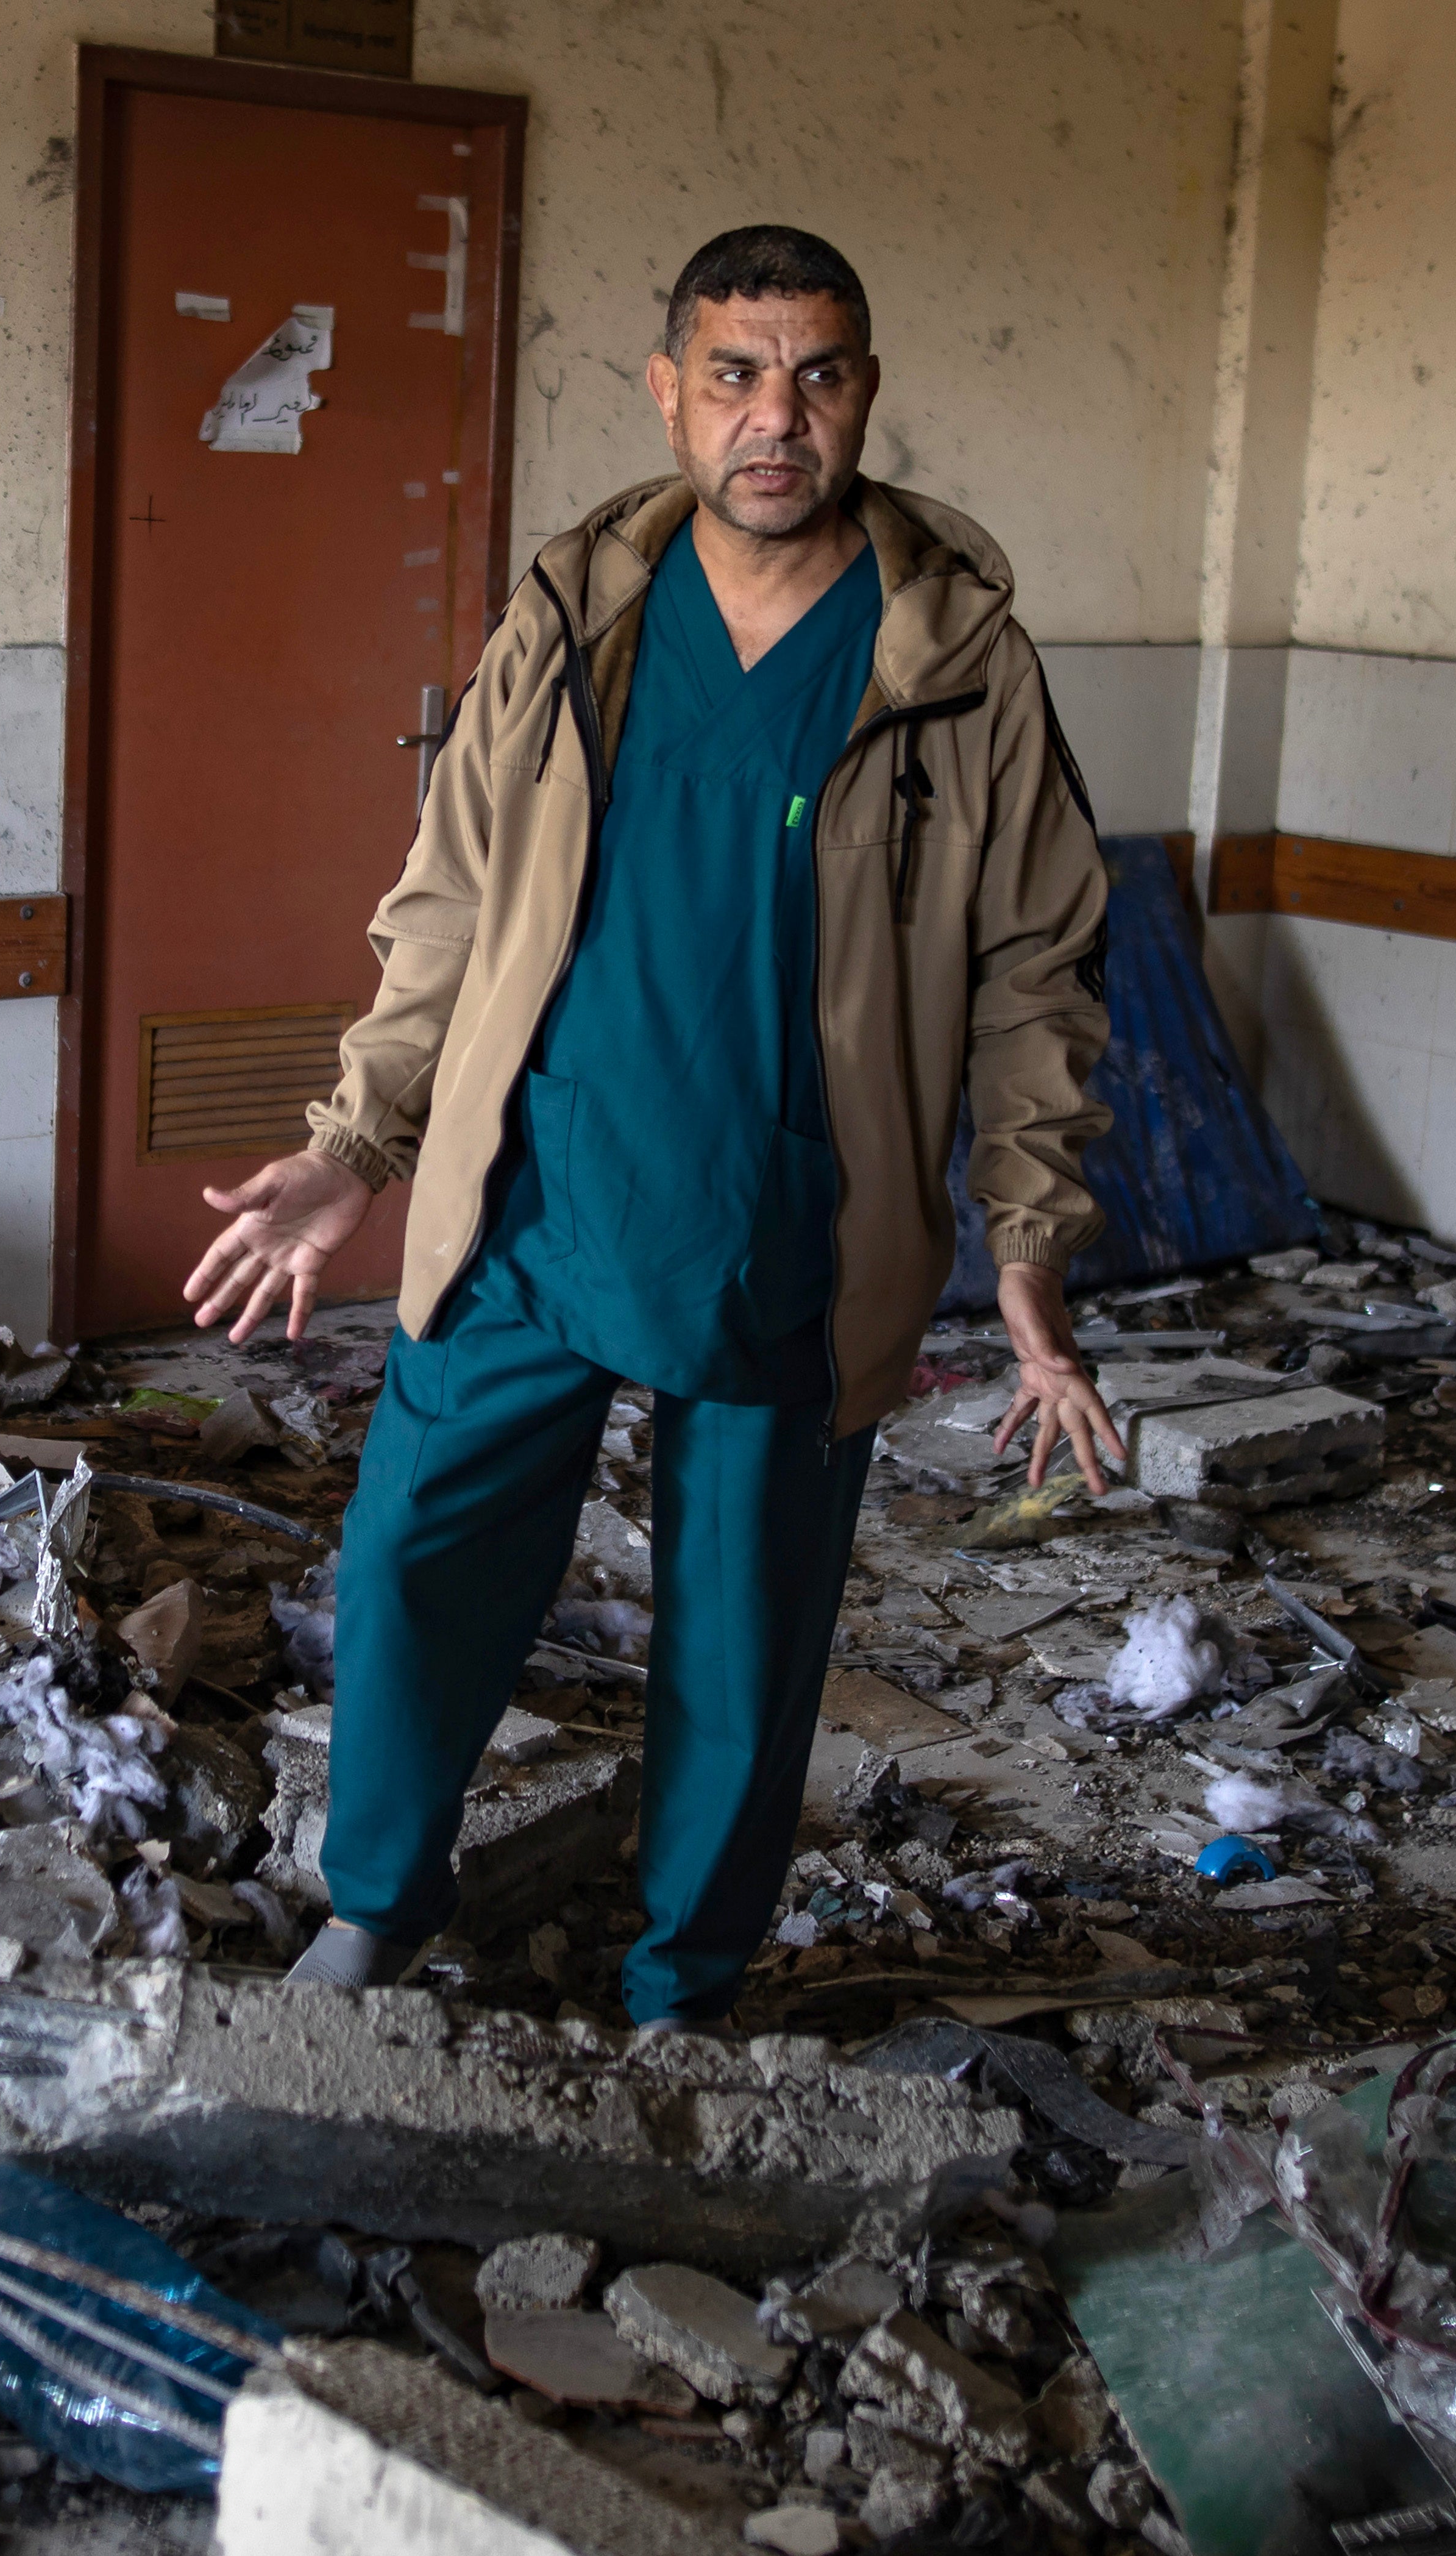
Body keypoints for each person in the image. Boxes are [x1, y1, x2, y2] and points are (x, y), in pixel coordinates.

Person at [181, 222, 1119, 2031]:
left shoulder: (953, 664)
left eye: (819, 374)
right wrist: (354, 1141)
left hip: (793, 1215)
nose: (778, 416)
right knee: (413, 1560)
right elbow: (447, 903)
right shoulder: (574, 622)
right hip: (538, 1187)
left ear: (865, 391)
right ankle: (377, 1902)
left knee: (741, 1637)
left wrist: (1027, 1243)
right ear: (667, 388)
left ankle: (682, 1981)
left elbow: (1035, 969)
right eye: (736, 372)